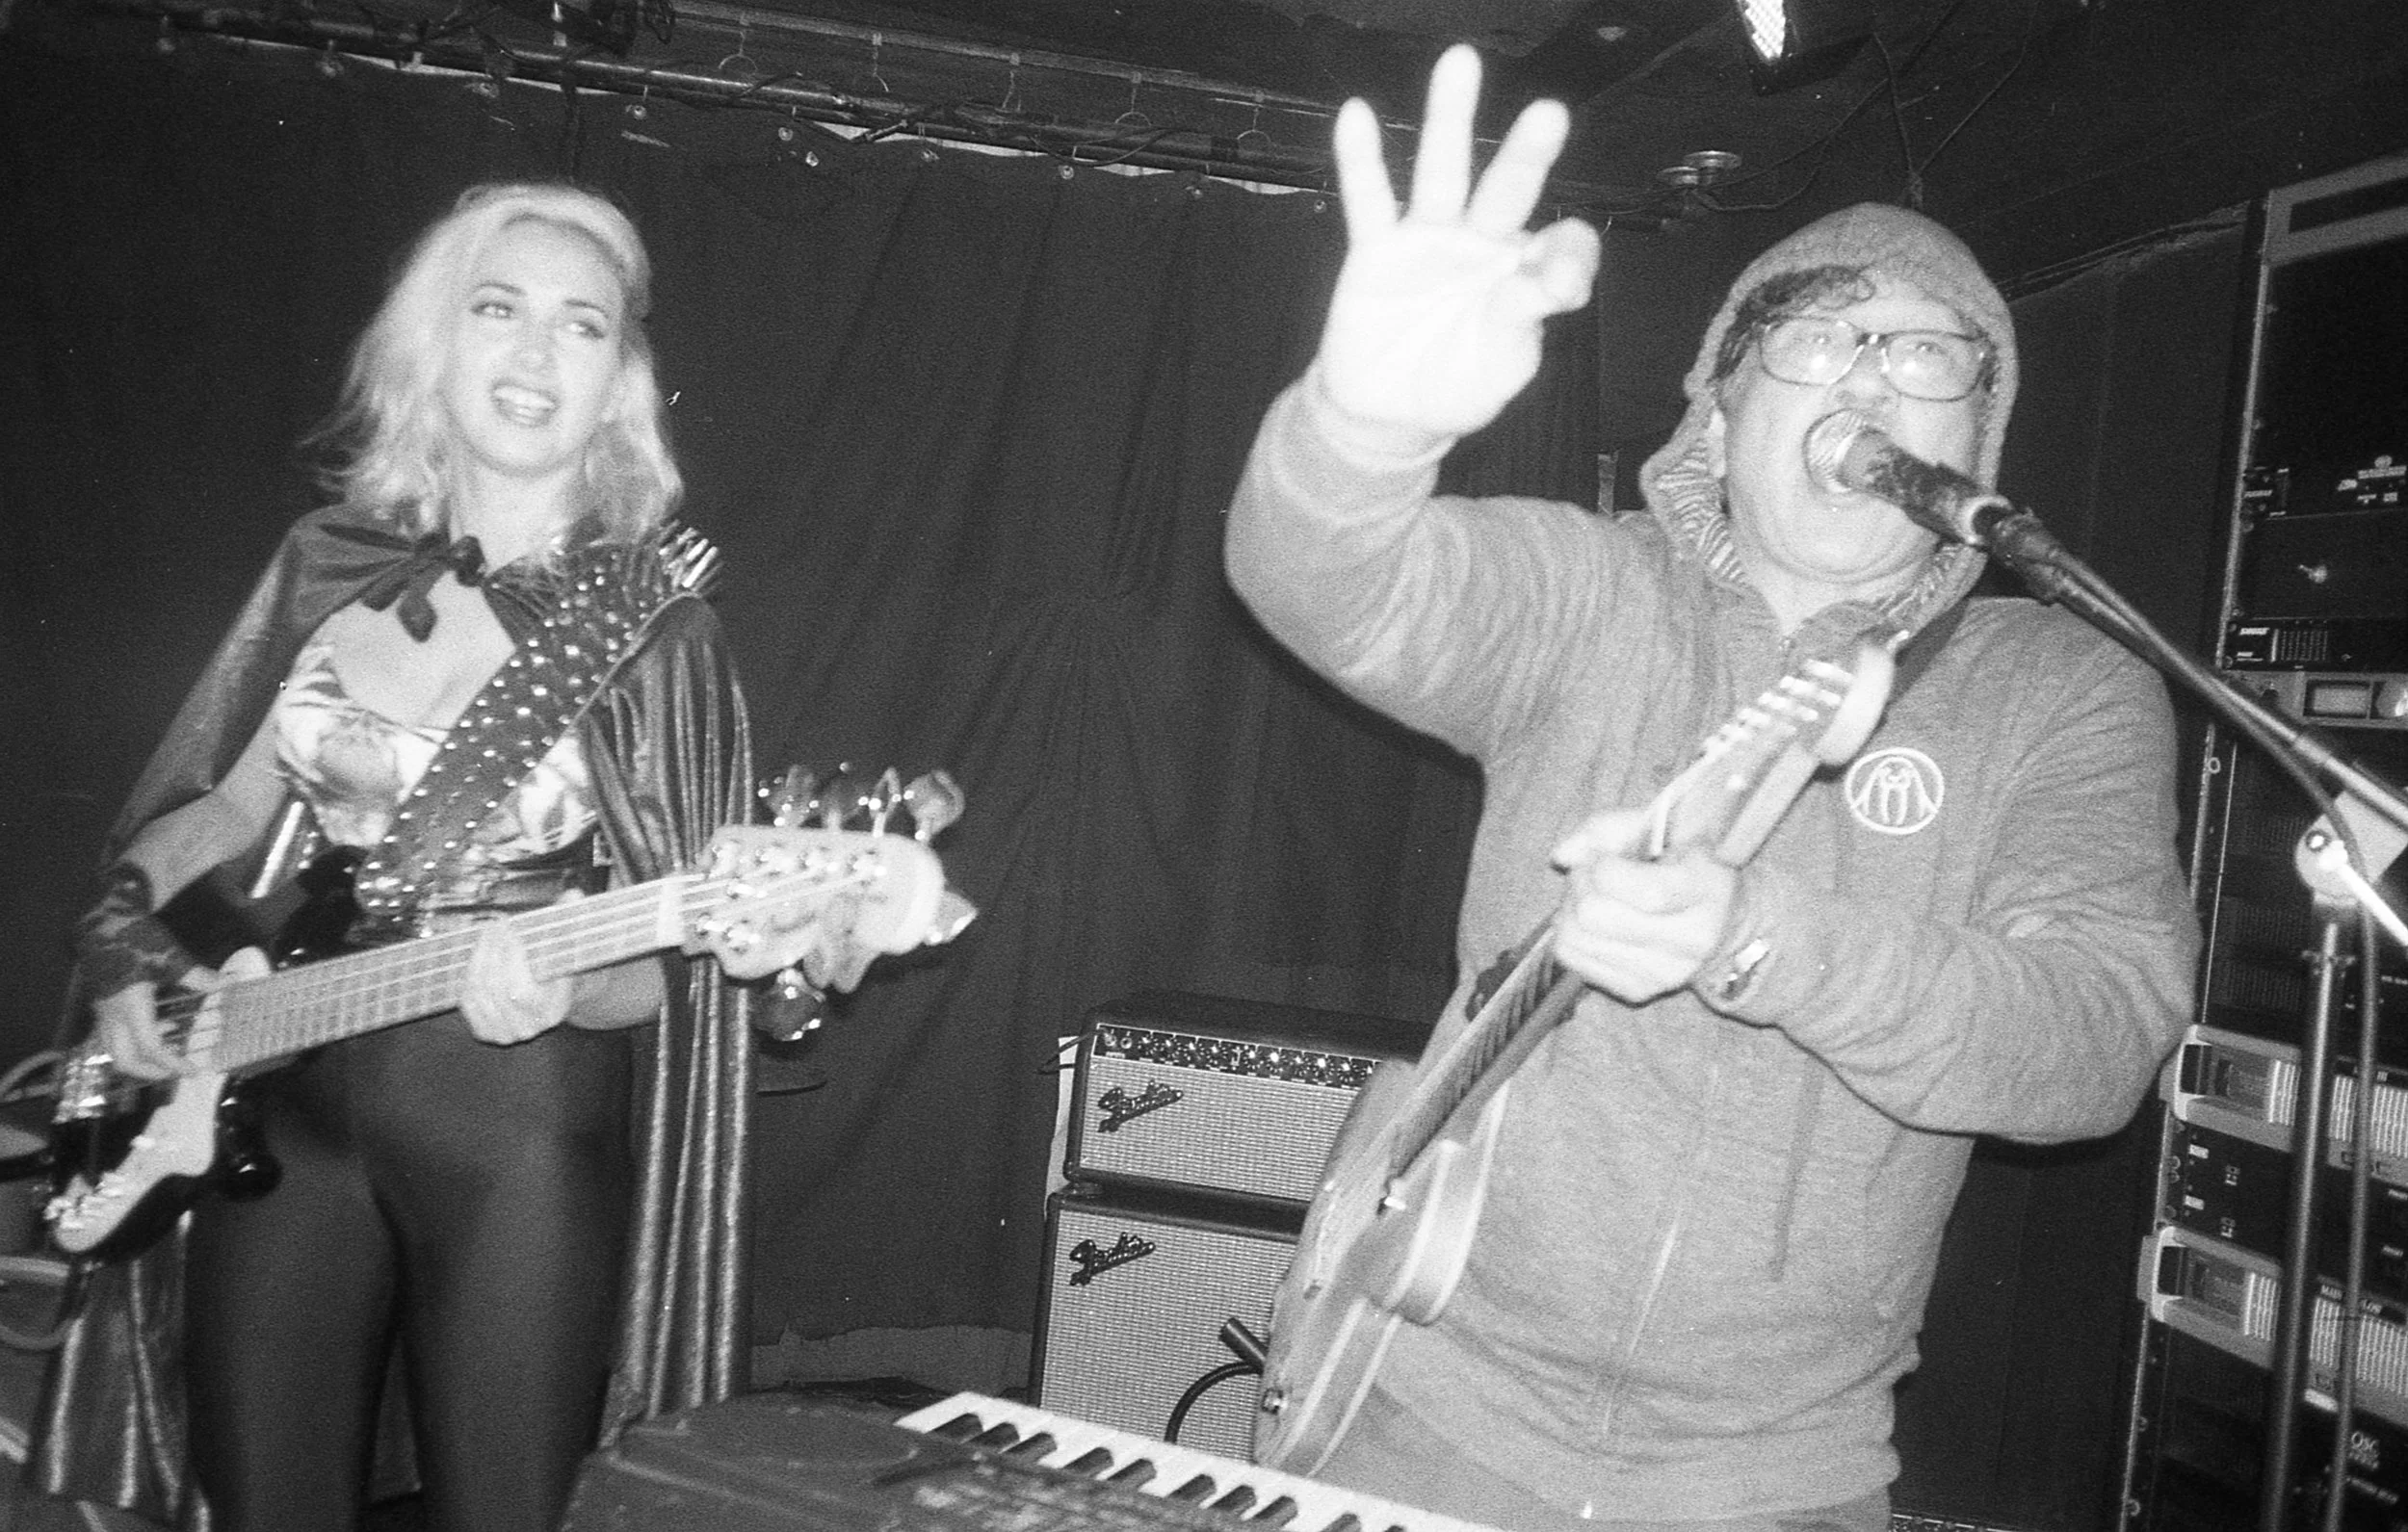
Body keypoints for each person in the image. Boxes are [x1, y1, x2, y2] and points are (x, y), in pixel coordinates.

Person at [1226, 45, 2199, 1532]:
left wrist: (1758, 936)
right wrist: (1365, 423)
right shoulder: (1593, 597)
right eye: (1815, 340)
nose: (1872, 375)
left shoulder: (2062, 691)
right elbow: (1325, 578)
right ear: (1725, 407)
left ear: (1973, 435)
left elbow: (2096, 1042)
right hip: (1418, 1400)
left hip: (1778, 1480)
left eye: (1928, 353)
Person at [35, 182, 765, 1532]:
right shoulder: (333, 565)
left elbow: (673, 974)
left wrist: (564, 986)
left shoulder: (656, 633)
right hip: (280, 1107)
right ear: (437, 342)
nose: (536, 354)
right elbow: (213, 808)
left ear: (620, 383)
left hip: (514, 1128)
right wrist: (128, 948)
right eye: (499, 309)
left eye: (581, 324)